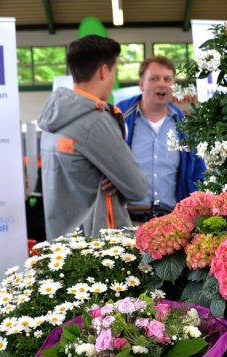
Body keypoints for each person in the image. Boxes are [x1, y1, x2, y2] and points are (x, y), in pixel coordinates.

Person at [38, 35, 148, 239]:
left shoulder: (52, 118)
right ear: (104, 71)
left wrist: (117, 178)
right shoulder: (95, 121)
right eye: (115, 71)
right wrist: (120, 178)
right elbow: (138, 188)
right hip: (98, 247)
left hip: (62, 243)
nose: (115, 79)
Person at [117, 57, 206, 223]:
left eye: (167, 79)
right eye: (154, 78)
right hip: (126, 221)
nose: (162, 84)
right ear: (141, 84)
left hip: (172, 223)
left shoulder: (186, 128)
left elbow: (198, 175)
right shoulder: (118, 117)